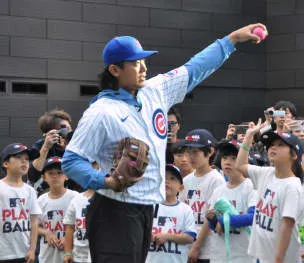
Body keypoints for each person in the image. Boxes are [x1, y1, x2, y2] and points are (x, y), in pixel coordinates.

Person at [62, 23, 267, 263]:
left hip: (146, 208)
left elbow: (194, 68)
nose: (144, 67)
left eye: (144, 61)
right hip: (114, 210)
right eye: (136, 62)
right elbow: (72, 160)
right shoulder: (101, 112)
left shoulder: (154, 90)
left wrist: (231, 40)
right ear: (115, 69)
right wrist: (105, 181)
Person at [235, 120, 304, 263]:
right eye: (272, 144)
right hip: (261, 256)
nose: (273, 148)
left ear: (294, 155)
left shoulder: (292, 186)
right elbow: (240, 165)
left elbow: (287, 225)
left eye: (280, 145)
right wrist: (248, 137)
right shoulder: (266, 173)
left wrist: (278, 259)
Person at [204, 139, 257, 262]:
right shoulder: (218, 190)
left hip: (243, 256)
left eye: (234, 158)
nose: (228, 162)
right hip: (220, 256)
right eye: (225, 158)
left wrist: (223, 221)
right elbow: (215, 228)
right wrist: (212, 220)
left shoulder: (251, 186)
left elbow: (253, 217)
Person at [179, 129, 225, 262]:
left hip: (207, 250)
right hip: (186, 246)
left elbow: (211, 217)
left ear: (210, 152)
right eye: (188, 152)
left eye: (195, 152)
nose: (190, 157)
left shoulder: (216, 180)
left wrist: (197, 246)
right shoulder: (186, 180)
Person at [146, 164, 196, 263]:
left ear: (181, 188)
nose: (167, 181)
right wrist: (150, 236)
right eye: (163, 178)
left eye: (172, 178)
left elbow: (190, 237)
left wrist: (166, 236)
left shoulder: (185, 209)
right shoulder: (149, 206)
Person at [0, 143, 41, 263]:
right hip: (3, 253)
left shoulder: (30, 191)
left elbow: (34, 221)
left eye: (27, 159)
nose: (24, 162)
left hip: (25, 253)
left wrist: (33, 250)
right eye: (18, 157)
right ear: (5, 163)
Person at [37, 157, 78, 263]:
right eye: (50, 173)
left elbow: (84, 224)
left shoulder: (75, 197)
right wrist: (46, 232)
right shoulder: (40, 200)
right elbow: (33, 227)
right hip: (47, 257)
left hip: (71, 256)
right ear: (44, 177)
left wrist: (69, 238)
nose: (55, 176)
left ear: (67, 176)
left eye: (59, 172)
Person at [63, 188, 95, 263]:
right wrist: (68, 252)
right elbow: (70, 227)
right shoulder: (76, 200)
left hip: (101, 254)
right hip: (79, 256)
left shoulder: (109, 198)